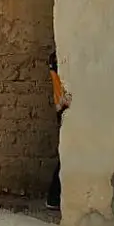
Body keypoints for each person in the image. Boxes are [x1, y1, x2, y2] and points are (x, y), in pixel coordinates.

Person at [46, 50, 71, 210]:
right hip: (64, 108)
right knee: (67, 155)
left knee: (66, 155)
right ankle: (54, 197)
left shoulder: (57, 57)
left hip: (62, 108)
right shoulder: (59, 58)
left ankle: (55, 197)